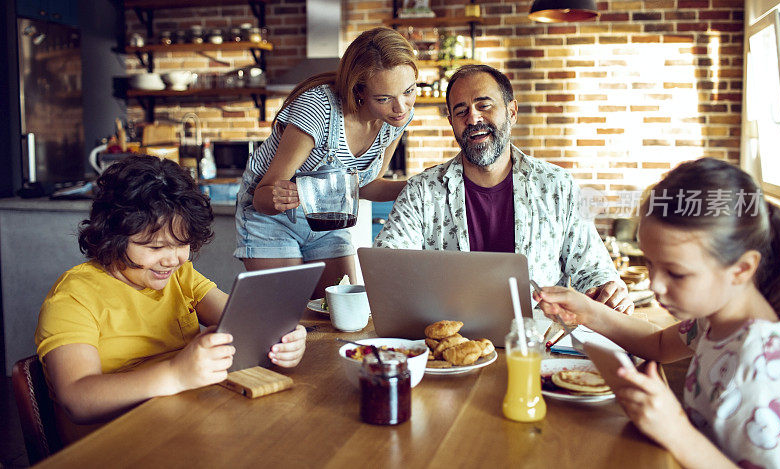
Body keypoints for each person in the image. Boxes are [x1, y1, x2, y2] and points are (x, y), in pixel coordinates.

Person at [536, 158, 780, 468]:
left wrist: (677, 432)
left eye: (676, 273)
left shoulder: (768, 369)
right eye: (650, 263)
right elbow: (659, 345)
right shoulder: (714, 320)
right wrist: (587, 311)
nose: (655, 285)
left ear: (741, 269)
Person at [35, 155, 307, 436]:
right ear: (112, 236)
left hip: (188, 424)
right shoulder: (74, 297)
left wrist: (281, 339)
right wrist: (176, 374)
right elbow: (78, 399)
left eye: (182, 244)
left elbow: (248, 322)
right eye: (154, 248)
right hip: (117, 444)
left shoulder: (180, 275)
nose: (172, 260)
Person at [374, 64, 632, 312]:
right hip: (449, 342)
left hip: (538, 343)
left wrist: (609, 292)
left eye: (484, 105)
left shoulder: (558, 186)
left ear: (511, 112)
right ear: (451, 121)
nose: (473, 118)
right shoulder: (422, 191)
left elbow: (594, 271)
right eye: (461, 111)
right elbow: (387, 266)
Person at [236, 27, 418, 297]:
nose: (401, 107)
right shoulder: (318, 109)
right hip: (272, 222)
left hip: (328, 222)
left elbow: (365, 187)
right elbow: (263, 197)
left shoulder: (395, 120)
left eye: (409, 91)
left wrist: (419, 184)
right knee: (287, 321)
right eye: (384, 98)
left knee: (337, 315)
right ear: (359, 91)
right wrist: (282, 196)